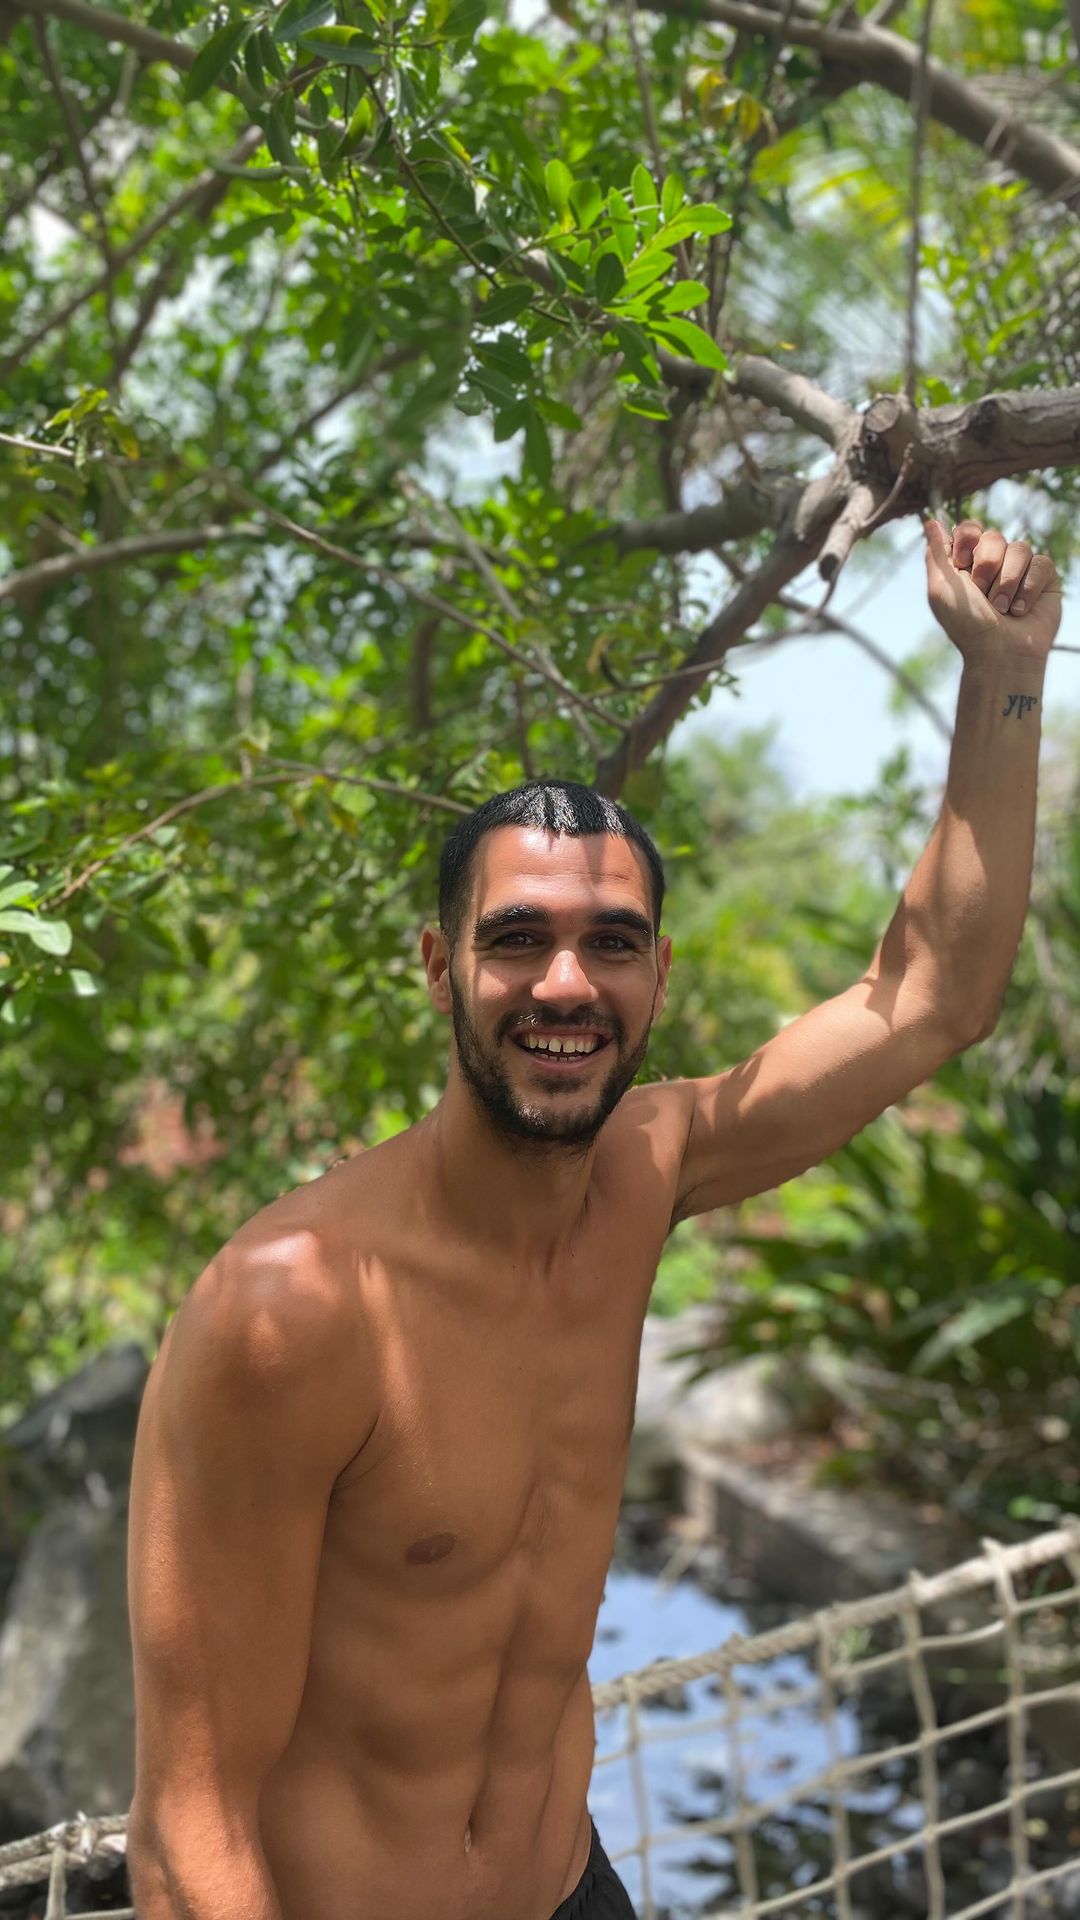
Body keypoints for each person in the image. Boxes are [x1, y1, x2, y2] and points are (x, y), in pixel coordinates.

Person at [125, 517, 1061, 1920]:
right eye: (518, 940)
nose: (567, 984)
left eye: (610, 944)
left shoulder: (649, 1175)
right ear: (438, 967)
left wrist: (1006, 672)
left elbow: (931, 995)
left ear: (658, 977)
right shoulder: (294, 1312)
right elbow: (190, 1828)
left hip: (571, 1886)